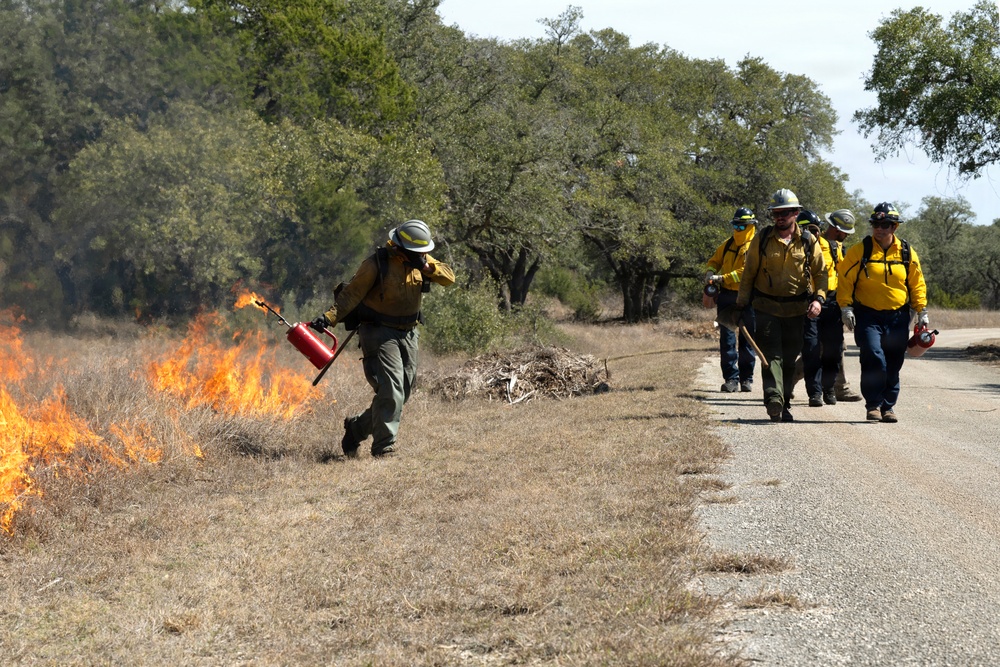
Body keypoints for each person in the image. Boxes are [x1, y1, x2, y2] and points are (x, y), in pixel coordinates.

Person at [312, 219, 456, 456]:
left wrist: (428, 268)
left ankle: (356, 429)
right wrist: (328, 318)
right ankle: (384, 449)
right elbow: (351, 295)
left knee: (402, 392)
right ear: (400, 247)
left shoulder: (421, 261)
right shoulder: (375, 264)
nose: (421, 256)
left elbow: (449, 278)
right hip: (379, 332)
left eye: (423, 253)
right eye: (416, 253)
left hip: (409, 332)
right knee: (391, 389)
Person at [731, 188, 827, 422]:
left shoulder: (808, 240)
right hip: (766, 308)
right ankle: (774, 399)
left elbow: (821, 273)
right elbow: (749, 274)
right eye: (776, 213)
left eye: (785, 212)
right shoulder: (761, 239)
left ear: (796, 213)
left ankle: (783, 403)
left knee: (788, 357)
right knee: (771, 355)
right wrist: (741, 305)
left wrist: (819, 298)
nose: (780, 217)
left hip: (796, 311)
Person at [837, 203, 927, 423]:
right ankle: (873, 405)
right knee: (874, 356)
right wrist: (845, 307)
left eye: (885, 224)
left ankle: (888, 407)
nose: (880, 228)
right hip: (868, 315)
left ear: (894, 227)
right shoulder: (861, 250)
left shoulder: (906, 251)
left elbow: (917, 283)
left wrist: (922, 310)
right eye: (876, 224)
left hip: (898, 316)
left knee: (893, 362)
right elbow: (845, 280)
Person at [705, 207, 758, 393]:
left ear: (750, 226)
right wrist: (710, 271)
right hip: (727, 297)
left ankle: (746, 379)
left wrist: (722, 278)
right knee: (727, 340)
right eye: (735, 225)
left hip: (748, 297)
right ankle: (731, 379)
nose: (737, 229)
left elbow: (746, 272)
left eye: (741, 226)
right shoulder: (728, 244)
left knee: (747, 340)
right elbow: (714, 260)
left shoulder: (755, 246)